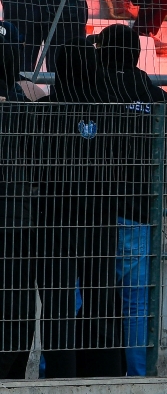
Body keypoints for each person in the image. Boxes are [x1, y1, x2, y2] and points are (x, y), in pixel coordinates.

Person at [95, 24, 167, 375]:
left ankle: (76, 369)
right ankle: (136, 374)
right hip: (139, 212)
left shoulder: (96, 90)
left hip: (95, 214)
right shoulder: (157, 96)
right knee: (136, 303)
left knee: (85, 297)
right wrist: (157, 184)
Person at [43, 37, 126, 376]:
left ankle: (61, 372)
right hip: (102, 215)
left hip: (57, 217)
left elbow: (36, 163)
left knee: (59, 300)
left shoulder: (50, 110)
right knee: (101, 297)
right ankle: (102, 371)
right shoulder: (109, 109)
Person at [0, 22, 76, 378]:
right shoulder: (29, 107)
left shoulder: (27, 104)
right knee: (16, 304)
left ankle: (12, 369)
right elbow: (45, 162)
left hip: (19, 220)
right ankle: (12, 372)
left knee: (15, 302)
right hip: (20, 219)